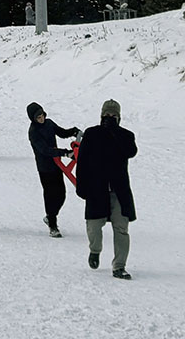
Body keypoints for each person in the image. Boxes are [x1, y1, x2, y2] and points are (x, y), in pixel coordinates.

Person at [77, 99, 138, 280]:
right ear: (101, 115)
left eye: (113, 116)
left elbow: (131, 151)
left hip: (119, 191)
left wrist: (114, 132)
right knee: (94, 226)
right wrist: (82, 186)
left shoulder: (126, 135)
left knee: (121, 229)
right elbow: (82, 162)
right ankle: (95, 250)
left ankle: (119, 266)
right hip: (96, 189)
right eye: (107, 115)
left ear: (119, 118)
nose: (109, 118)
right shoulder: (92, 134)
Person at [27, 102, 82, 237]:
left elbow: (61, 132)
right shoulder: (33, 132)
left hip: (56, 165)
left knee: (61, 194)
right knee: (50, 195)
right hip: (45, 168)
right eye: (38, 117)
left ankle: (50, 216)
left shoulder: (49, 123)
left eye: (42, 115)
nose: (41, 118)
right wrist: (65, 153)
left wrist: (73, 131)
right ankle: (53, 224)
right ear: (33, 119)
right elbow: (44, 150)